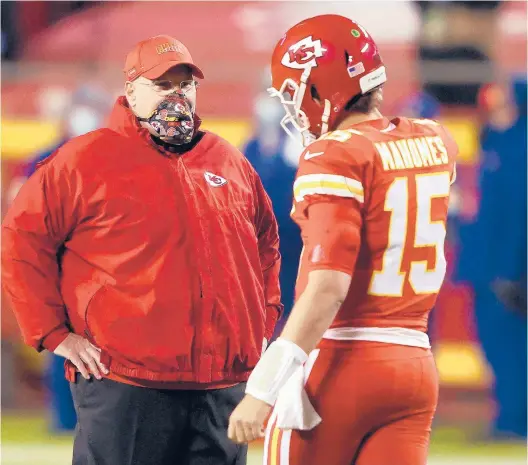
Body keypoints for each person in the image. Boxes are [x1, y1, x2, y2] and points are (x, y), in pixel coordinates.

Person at [2, 34, 282, 465]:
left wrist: (259, 326)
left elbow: (265, 245)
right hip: (126, 383)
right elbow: (21, 241)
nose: (177, 95)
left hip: (220, 386)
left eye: (184, 85)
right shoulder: (83, 160)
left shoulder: (227, 159)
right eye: (162, 85)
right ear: (131, 91)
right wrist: (53, 333)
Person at [228, 15, 457, 465]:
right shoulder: (436, 139)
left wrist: (263, 385)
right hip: (414, 367)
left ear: (317, 90)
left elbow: (329, 287)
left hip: (342, 362)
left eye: (294, 93)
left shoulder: (333, 154)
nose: (293, 110)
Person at [243, 90, 303, 330]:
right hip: (261, 237)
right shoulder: (251, 147)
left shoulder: (294, 145)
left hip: (291, 236)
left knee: (288, 292)